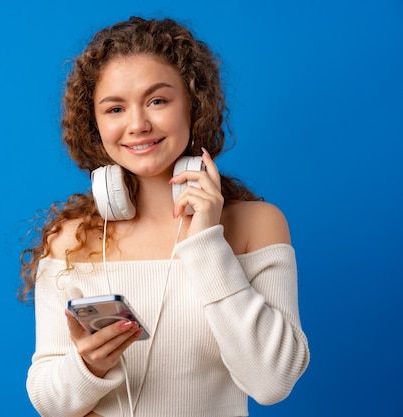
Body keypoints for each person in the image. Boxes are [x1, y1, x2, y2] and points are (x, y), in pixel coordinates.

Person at [18, 15, 310, 417]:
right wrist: (89, 365)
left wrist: (206, 243)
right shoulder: (71, 241)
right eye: (115, 108)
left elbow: (273, 382)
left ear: (194, 106)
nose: (137, 125)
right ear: (95, 124)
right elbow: (48, 401)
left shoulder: (255, 225)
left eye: (157, 100)